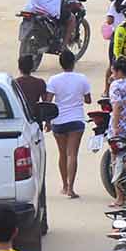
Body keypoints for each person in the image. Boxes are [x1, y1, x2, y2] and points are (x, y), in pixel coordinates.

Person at [45, 50, 90, 198]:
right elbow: (88, 99)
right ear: (74, 62)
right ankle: (71, 188)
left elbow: (48, 102)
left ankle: (64, 185)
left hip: (59, 120)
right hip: (76, 120)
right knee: (72, 155)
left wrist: (48, 121)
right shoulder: (82, 78)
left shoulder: (54, 80)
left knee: (62, 154)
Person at [12, 53, 48, 120]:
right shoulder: (40, 82)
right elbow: (45, 104)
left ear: (19, 68)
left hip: (19, 118)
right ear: (32, 67)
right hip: (35, 118)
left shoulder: (14, 84)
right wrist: (47, 121)